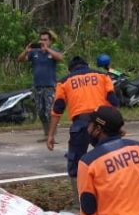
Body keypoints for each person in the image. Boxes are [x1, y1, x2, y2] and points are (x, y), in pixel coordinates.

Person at [46, 56, 118, 199]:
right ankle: (115, 194)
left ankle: (80, 202)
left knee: (75, 164)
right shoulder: (102, 75)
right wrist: (117, 125)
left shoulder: (64, 81)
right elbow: (113, 101)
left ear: (70, 69)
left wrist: (51, 135)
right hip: (102, 121)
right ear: (87, 65)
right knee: (113, 157)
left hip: (81, 123)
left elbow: (57, 109)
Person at [17, 30, 63, 139]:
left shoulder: (52, 51)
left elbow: (60, 57)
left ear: (50, 41)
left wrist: (47, 49)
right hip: (37, 86)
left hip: (50, 86)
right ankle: (46, 133)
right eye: (41, 40)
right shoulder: (34, 52)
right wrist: (26, 51)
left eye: (45, 40)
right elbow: (20, 59)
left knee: (49, 112)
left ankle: (52, 135)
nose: (42, 42)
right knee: (40, 112)